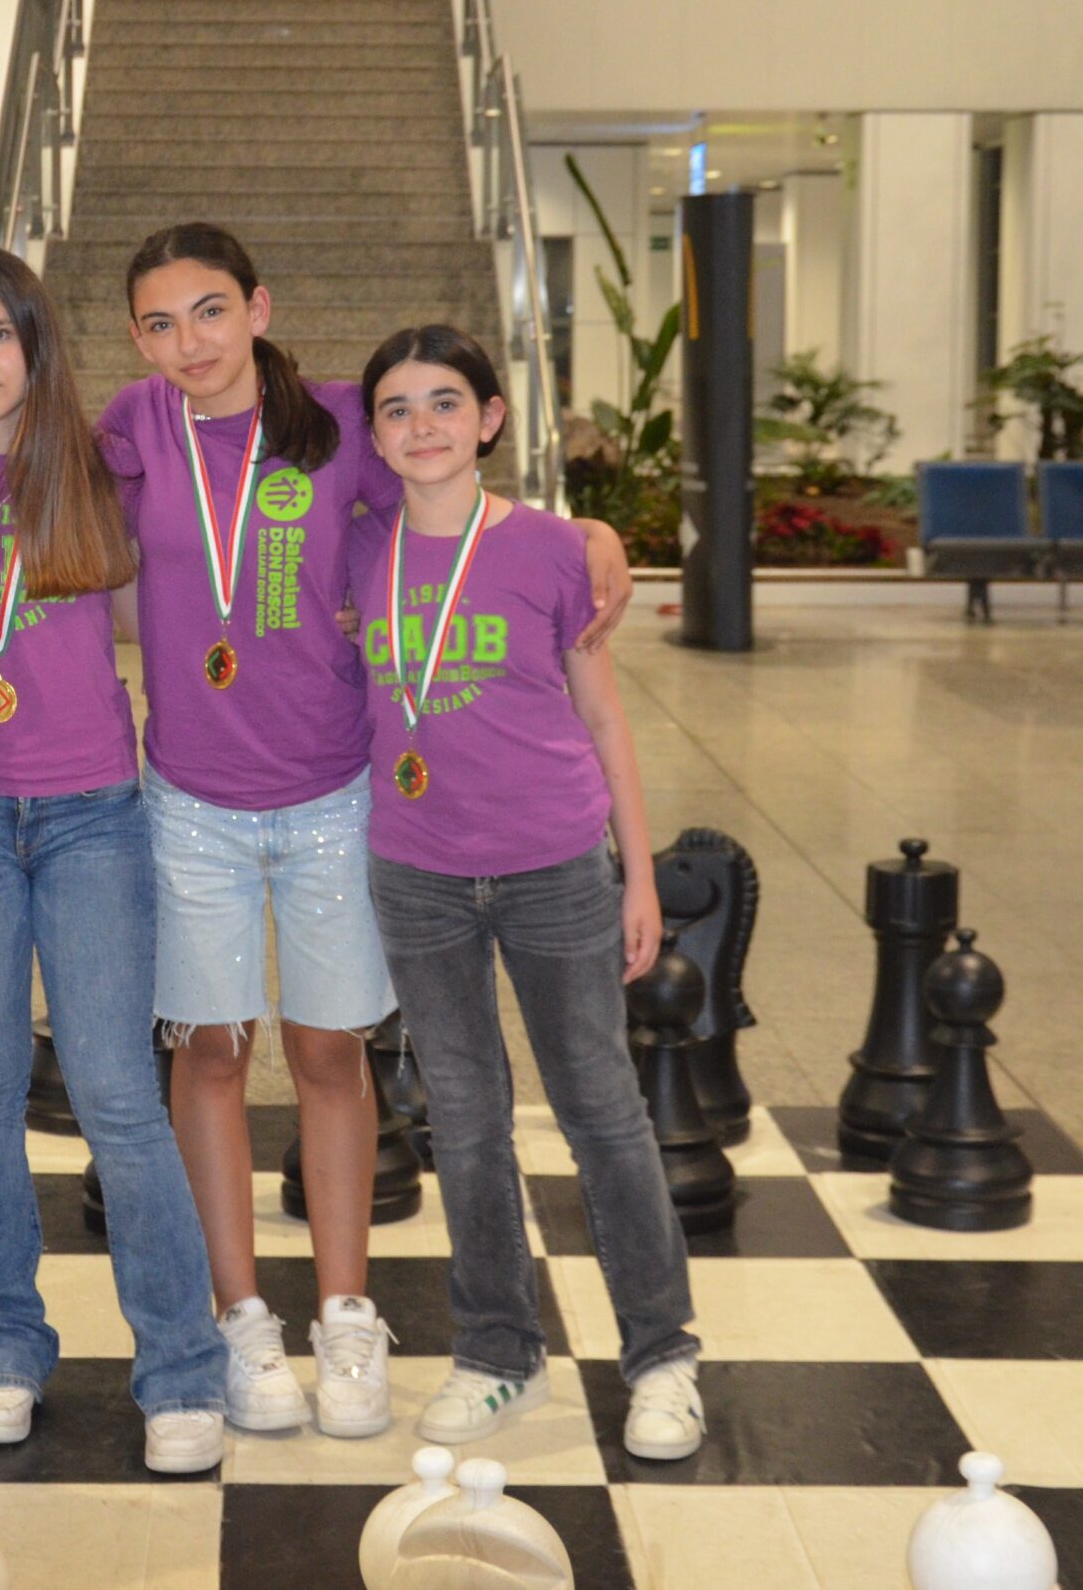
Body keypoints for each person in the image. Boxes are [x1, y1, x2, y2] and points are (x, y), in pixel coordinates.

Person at [99, 222, 632, 1441]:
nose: (190, 341)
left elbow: (459, 506)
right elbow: (26, 493)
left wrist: (587, 535)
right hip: (190, 798)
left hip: (336, 793)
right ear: (135, 338)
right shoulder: (134, 424)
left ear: (258, 308)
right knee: (211, 1052)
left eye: (211, 311)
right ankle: (241, 1321)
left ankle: (345, 1316)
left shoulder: (341, 420)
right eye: (161, 323)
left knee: (330, 1054)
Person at [348, 323, 701, 1460]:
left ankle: (661, 1355)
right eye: (397, 408)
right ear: (373, 435)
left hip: (554, 866)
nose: (423, 426)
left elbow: (604, 716)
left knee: (600, 1105)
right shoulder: (358, 549)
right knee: (463, 1116)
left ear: (491, 418)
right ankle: (499, 1353)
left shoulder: (556, 549)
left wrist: (636, 873)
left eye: (445, 402)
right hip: (418, 874)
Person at [0, 246, 229, 1475]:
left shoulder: (102, 463)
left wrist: (569, 529)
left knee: (115, 1095)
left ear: (36, 343)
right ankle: (0, 1343)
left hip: (93, 813)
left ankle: (180, 1364)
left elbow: (273, 445)